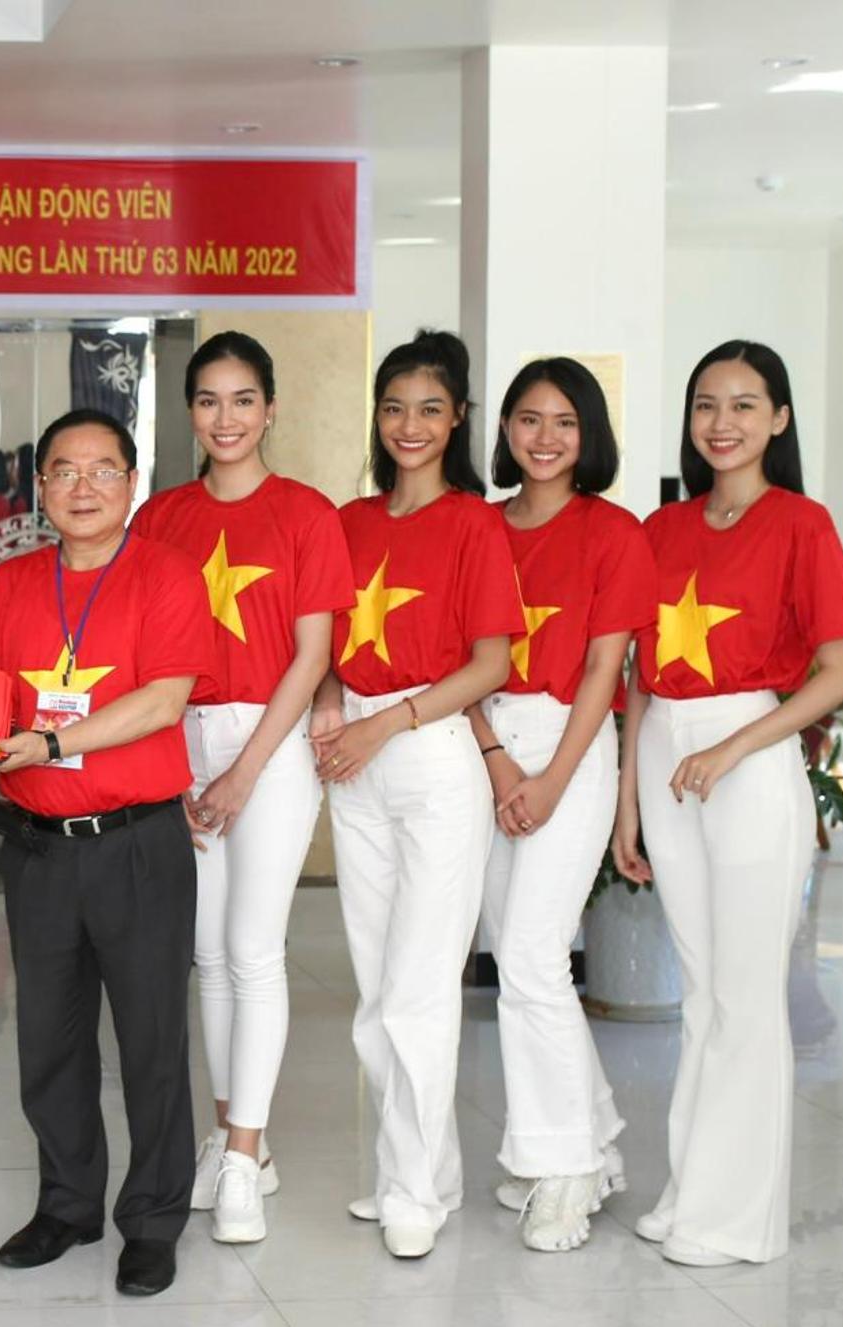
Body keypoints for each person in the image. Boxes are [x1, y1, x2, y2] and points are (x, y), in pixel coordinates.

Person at [0, 406, 213, 1296]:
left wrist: (54, 742)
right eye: (63, 470)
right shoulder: (11, 583)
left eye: (102, 470)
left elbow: (164, 700)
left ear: (132, 483)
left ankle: (153, 1221)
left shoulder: (167, 575)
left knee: (151, 1042)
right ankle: (66, 1205)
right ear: (39, 486)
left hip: (136, 844)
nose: (82, 487)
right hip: (39, 849)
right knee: (49, 1042)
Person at [616, 340, 843, 1266]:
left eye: (744, 405)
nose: (722, 424)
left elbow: (840, 667)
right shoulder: (661, 528)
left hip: (745, 756)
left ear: (779, 419)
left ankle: (731, 1220)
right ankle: (693, 1189)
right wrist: (627, 805)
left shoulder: (801, 523)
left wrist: (735, 745)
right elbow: (638, 676)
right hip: (665, 754)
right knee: (703, 991)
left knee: (747, 995)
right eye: (706, 405)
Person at [129, 332, 352, 1244]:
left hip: (272, 740)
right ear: (190, 411)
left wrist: (245, 769)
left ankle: (244, 1156)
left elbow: (312, 654)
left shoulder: (305, 513)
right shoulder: (159, 517)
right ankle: (235, 1144)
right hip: (177, 737)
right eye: (208, 400)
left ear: (269, 409)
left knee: (255, 948)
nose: (225, 418)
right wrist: (176, 764)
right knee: (207, 954)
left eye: (243, 399)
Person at [314, 329, 522, 1259]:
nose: (410, 425)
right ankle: (423, 1173)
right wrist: (331, 703)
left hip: (430, 754)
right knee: (374, 987)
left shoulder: (473, 523)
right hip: (353, 758)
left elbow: (491, 664)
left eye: (430, 409)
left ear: (458, 419)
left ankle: (410, 1189)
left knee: (419, 987)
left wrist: (383, 723)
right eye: (395, 407)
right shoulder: (348, 522)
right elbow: (322, 642)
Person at [466, 358, 653, 1253]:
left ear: (589, 436)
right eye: (528, 420)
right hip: (483, 745)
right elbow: (453, 659)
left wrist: (548, 779)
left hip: (568, 742)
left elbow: (604, 670)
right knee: (515, 956)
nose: (544, 438)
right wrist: (496, 760)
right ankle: (584, 1143)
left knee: (534, 957)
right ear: (505, 429)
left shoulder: (612, 532)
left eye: (564, 422)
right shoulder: (475, 526)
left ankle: (565, 1168)